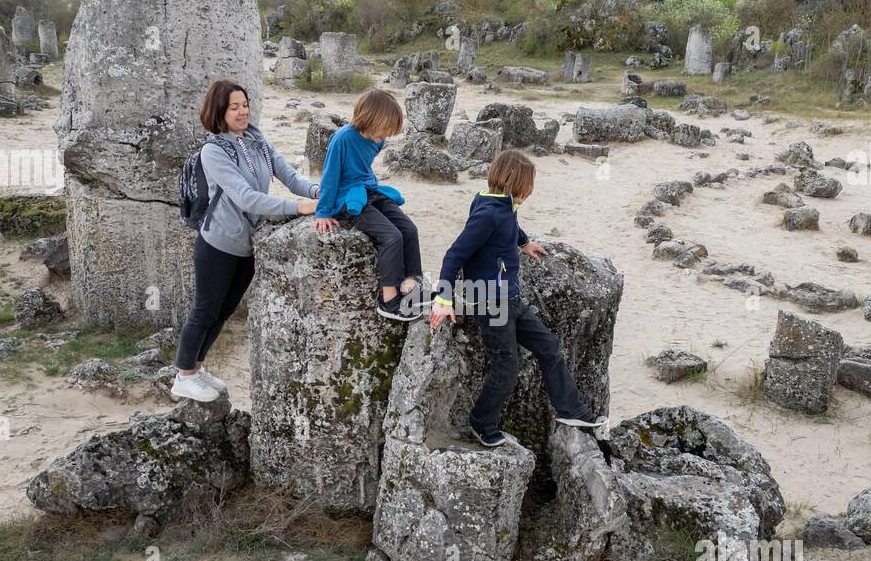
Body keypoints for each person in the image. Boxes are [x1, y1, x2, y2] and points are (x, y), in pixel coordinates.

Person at [429, 149, 606, 446]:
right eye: (528, 187)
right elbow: (454, 254)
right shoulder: (487, 213)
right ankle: (481, 422)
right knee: (506, 365)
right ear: (516, 185)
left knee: (549, 347)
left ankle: (570, 409)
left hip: (509, 298)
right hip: (489, 301)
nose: (529, 193)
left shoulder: (501, 203)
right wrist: (443, 298)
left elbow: (509, 225)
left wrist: (524, 242)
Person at [171, 79, 319, 402]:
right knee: (204, 310)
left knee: (225, 310)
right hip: (218, 244)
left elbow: (289, 176)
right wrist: (297, 208)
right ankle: (183, 374)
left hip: (247, 244)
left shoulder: (256, 140)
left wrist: (317, 192)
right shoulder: (213, 151)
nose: (242, 112)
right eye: (234, 107)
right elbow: (246, 197)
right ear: (219, 112)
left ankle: (197, 367)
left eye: (245, 105)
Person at [314, 89, 424, 321]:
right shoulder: (342, 139)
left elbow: (365, 164)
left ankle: (412, 280)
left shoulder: (377, 140)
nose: (385, 136)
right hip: (347, 198)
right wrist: (323, 211)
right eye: (384, 130)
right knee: (391, 236)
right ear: (369, 119)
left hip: (369, 190)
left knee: (409, 229)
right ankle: (389, 300)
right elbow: (330, 177)